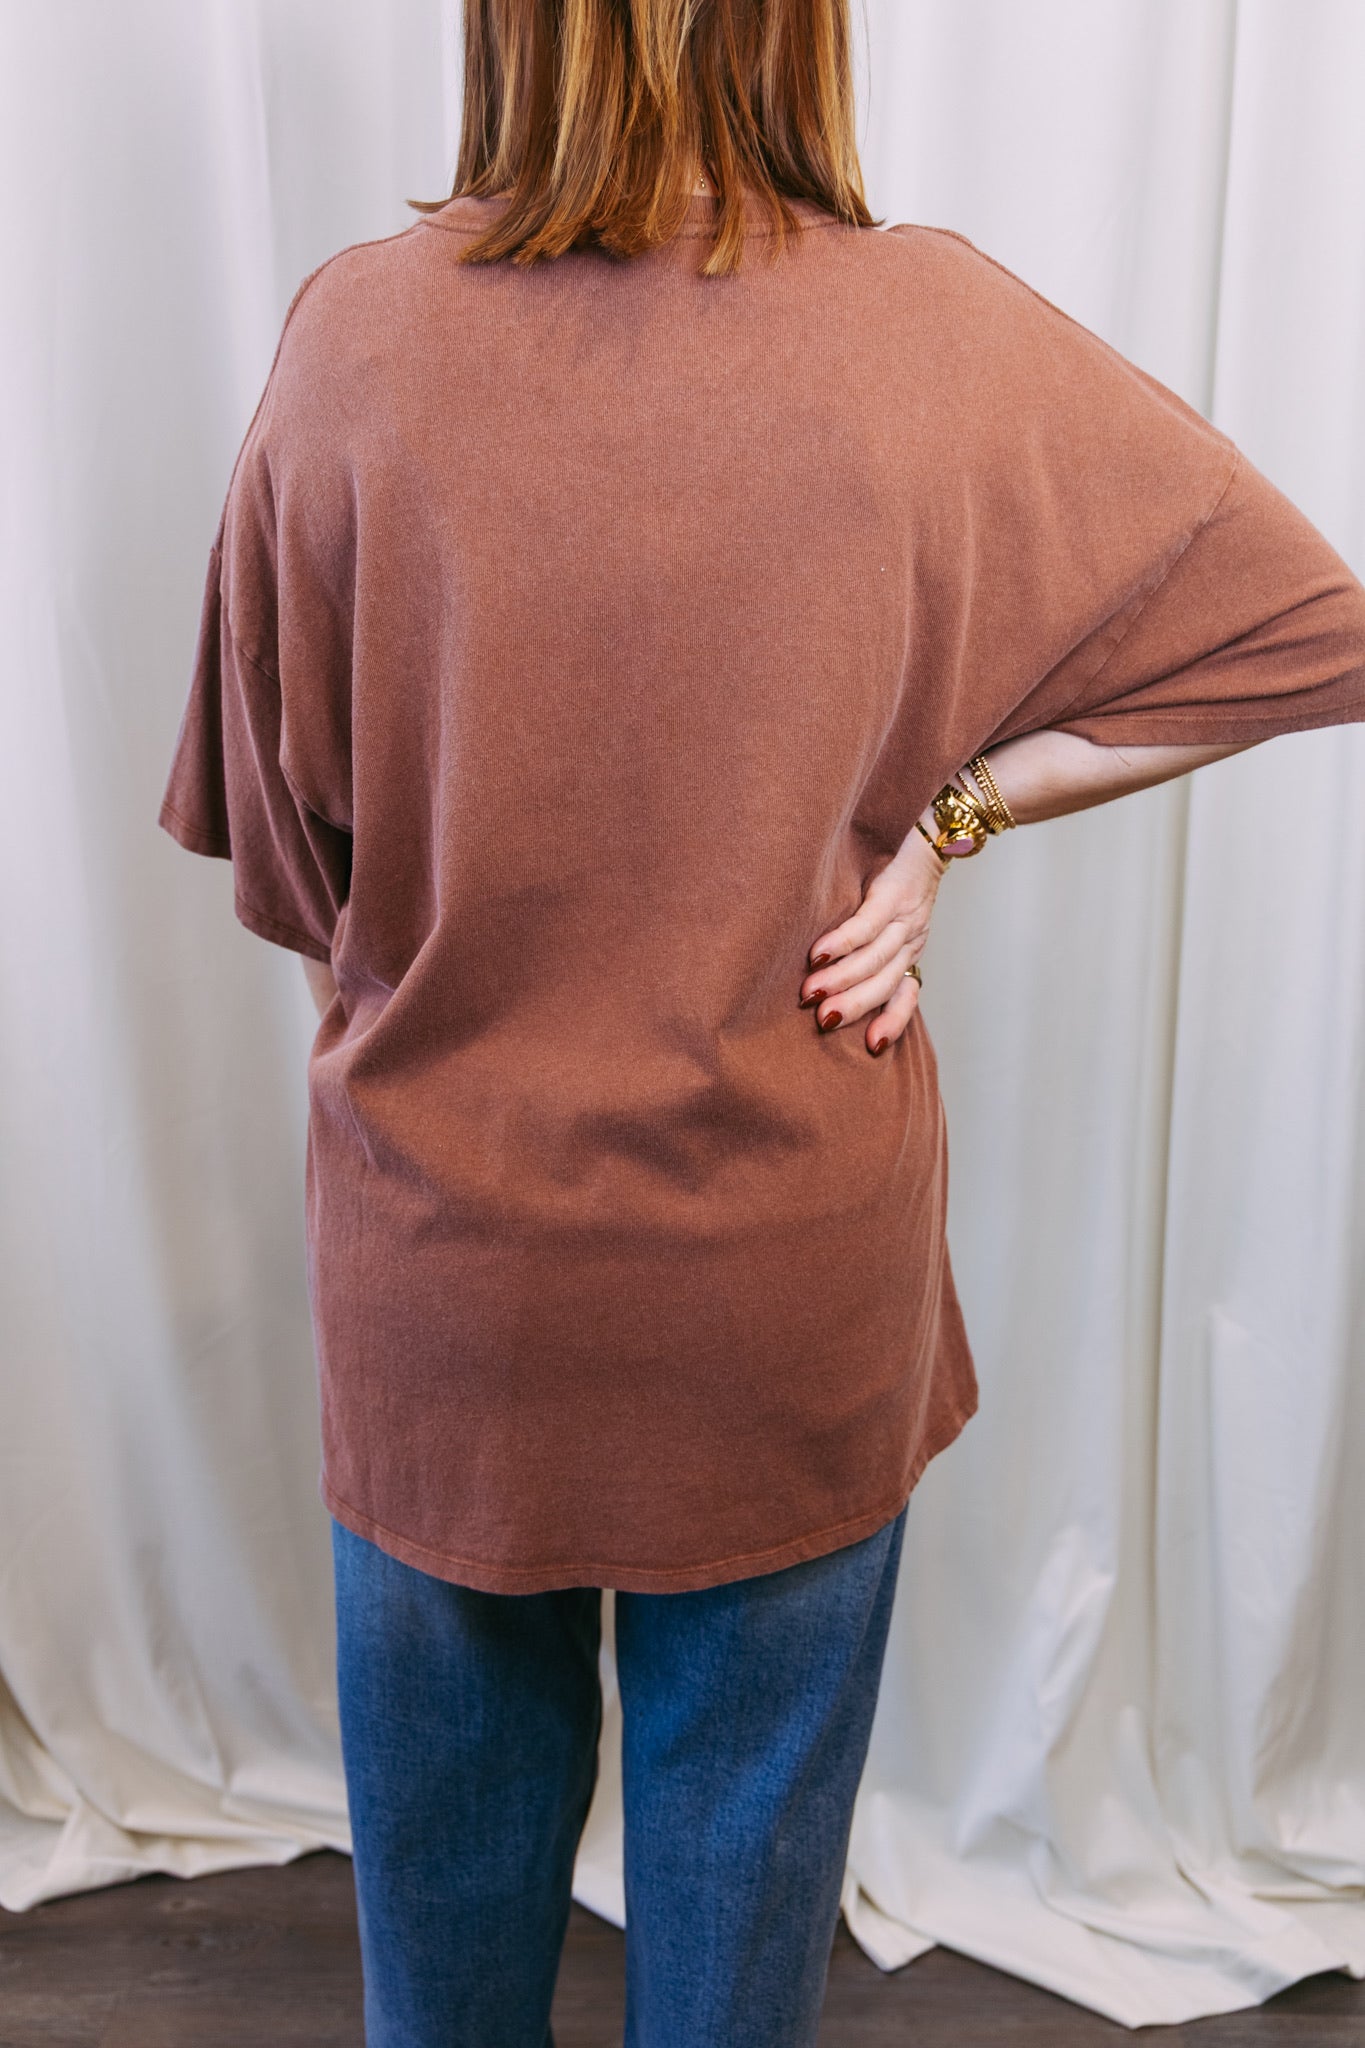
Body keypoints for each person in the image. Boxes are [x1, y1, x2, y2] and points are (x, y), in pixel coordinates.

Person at [155, 3, 1365, 2042]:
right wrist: (941, 820)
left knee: (436, 1978)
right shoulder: (933, 333)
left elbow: (295, 872)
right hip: (783, 1275)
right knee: (733, 1961)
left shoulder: (355, 340)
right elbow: (1301, 617)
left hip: (449, 1282)